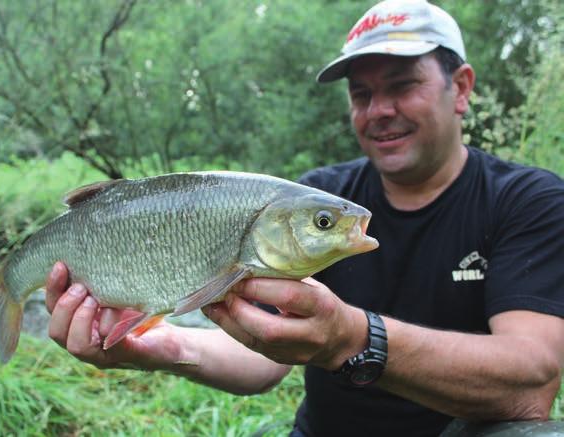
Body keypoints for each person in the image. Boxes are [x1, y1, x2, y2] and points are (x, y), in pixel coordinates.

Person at [44, 1, 564, 435]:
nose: (378, 109)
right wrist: (162, 346)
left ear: (463, 88)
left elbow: (530, 383)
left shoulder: (527, 200)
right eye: (361, 94)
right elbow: (264, 357)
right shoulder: (322, 195)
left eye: (403, 85)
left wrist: (355, 338)